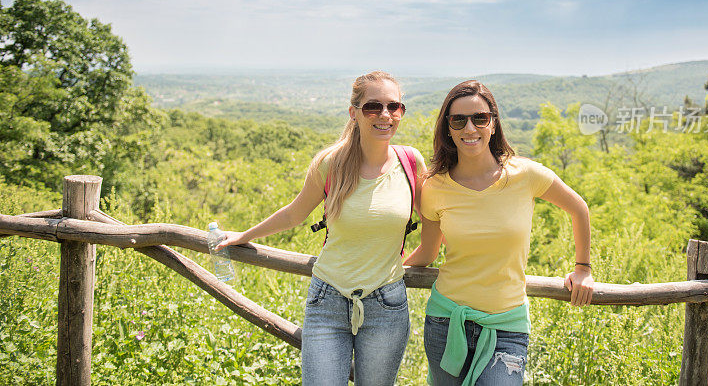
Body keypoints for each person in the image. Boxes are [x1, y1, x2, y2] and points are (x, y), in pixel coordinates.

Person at [216, 71, 425, 386]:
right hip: (328, 300)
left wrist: (403, 268)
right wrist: (244, 236)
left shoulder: (410, 163)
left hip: (387, 306)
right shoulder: (331, 163)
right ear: (353, 113)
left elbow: (437, 223)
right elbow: (294, 214)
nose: (385, 115)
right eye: (373, 107)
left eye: (394, 107)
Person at [404, 80, 594, 386]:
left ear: (493, 123)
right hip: (446, 321)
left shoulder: (525, 175)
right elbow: (427, 253)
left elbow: (579, 208)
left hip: (508, 326)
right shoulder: (435, 187)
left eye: (479, 118)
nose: (470, 128)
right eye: (458, 120)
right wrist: (385, 268)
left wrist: (582, 268)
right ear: (448, 128)